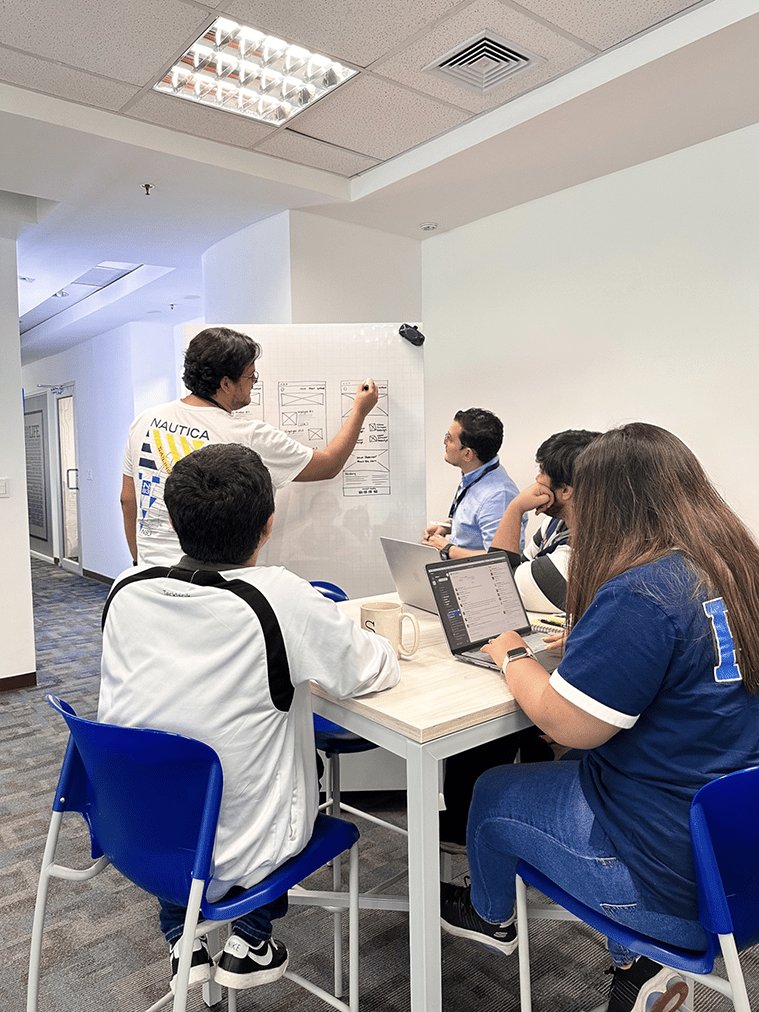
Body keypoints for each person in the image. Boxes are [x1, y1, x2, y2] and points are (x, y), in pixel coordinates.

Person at [440, 423, 759, 1012]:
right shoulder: (736, 568)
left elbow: (567, 723)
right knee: (581, 765)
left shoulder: (643, 591)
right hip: (740, 849)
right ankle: (636, 964)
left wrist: (509, 650)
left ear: (610, 500)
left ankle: (491, 918)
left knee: (493, 790)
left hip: (676, 879)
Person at [100, 443, 400, 993]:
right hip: (244, 848)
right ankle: (252, 940)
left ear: (173, 518)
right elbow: (368, 670)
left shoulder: (124, 588)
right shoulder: (278, 596)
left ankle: (183, 938)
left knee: (174, 751)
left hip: (135, 830)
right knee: (283, 756)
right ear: (267, 526)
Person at [439, 429, 600, 850]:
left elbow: (501, 582)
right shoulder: (564, 533)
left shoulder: (579, 555)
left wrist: (513, 510)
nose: (535, 485)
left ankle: (477, 855)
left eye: (542, 477)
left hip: (594, 737)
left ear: (563, 490)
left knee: (498, 714)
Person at [120, 326, 379, 566]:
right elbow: (329, 464)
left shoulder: (145, 420)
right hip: (213, 577)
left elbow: (128, 499)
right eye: (250, 375)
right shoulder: (249, 437)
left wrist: (139, 560)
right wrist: (359, 411)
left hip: (149, 573)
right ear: (225, 383)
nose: (253, 382)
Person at [488, 428, 600, 611]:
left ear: (565, 491)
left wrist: (514, 510)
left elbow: (497, 589)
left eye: (542, 471)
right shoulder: (557, 523)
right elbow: (522, 565)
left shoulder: (575, 559)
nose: (537, 478)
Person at [423, 408, 522, 559]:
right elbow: (477, 520)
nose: (445, 442)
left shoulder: (498, 496)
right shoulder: (477, 475)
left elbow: (499, 559)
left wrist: (447, 549)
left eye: (449, 439)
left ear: (467, 454)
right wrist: (448, 527)